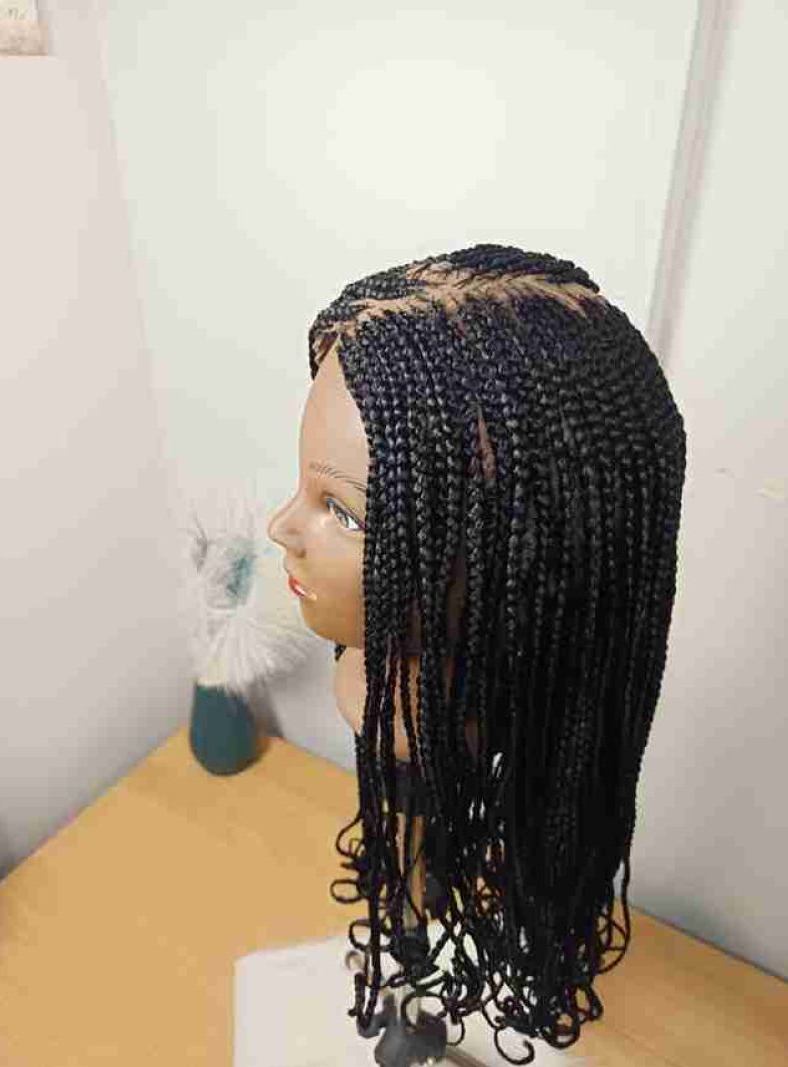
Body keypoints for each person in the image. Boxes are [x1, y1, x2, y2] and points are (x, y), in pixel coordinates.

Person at [267, 243, 687, 1061]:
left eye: (342, 512)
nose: (283, 526)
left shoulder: (482, 711)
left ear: (516, 553)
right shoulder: (372, 670)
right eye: (305, 490)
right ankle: (406, 947)